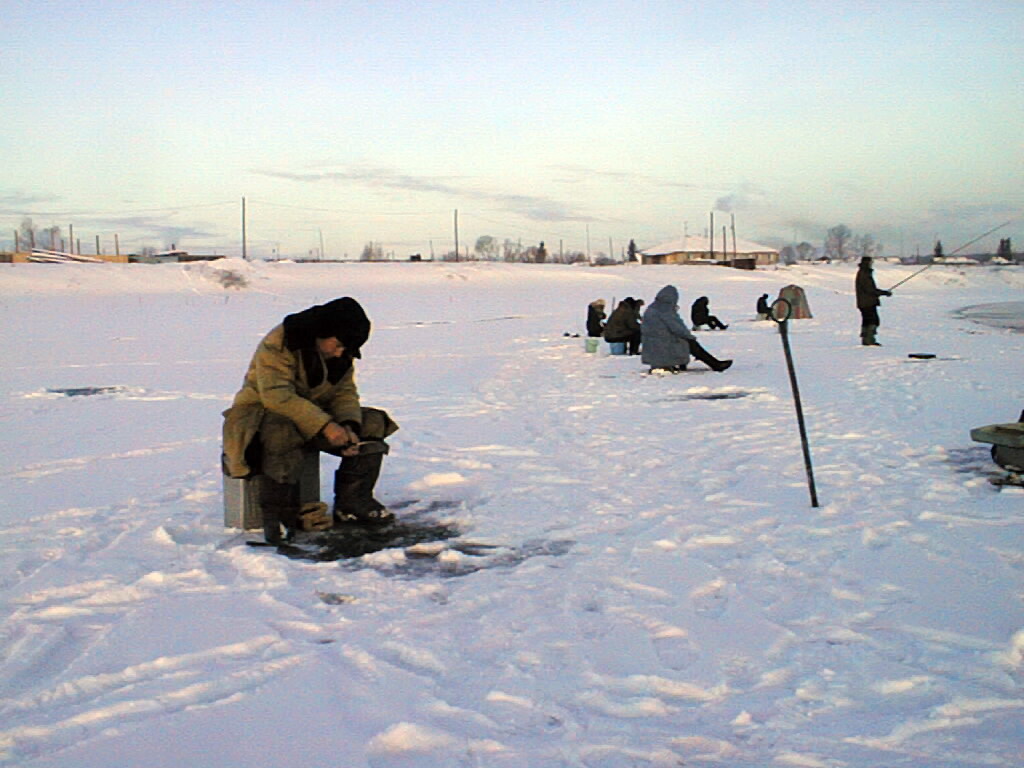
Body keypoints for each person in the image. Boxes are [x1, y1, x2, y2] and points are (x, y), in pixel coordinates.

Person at [221, 297, 399, 544]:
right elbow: (276, 396)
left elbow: (344, 393)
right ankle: (279, 516)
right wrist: (325, 426)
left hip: (313, 413)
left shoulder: (340, 352)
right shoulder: (280, 343)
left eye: (345, 350)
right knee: (282, 430)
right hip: (261, 415)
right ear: (323, 332)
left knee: (373, 422)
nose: (340, 353)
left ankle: (353, 502)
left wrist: (349, 425)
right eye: (337, 345)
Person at [642, 286, 732, 373]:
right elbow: (677, 327)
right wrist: (689, 336)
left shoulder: (652, 307)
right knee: (691, 343)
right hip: (665, 341)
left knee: (688, 343)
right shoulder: (665, 310)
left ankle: (713, 363)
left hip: (652, 342)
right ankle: (715, 364)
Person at [855, 256, 892, 346]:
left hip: (863, 302)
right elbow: (870, 289)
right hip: (868, 302)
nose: (872, 264)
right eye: (871, 262)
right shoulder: (865, 274)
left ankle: (866, 340)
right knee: (873, 321)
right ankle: (869, 340)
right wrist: (883, 293)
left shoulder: (862, 273)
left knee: (866, 321)